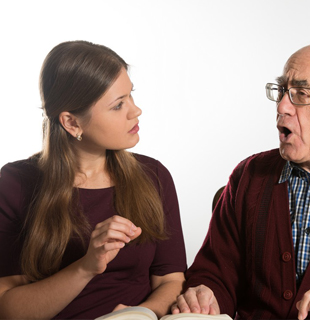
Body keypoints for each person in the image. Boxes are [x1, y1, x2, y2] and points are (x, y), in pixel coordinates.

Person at [171, 43, 310, 320]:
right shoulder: (250, 174)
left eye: (302, 94)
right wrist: (206, 292)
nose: (282, 106)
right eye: (281, 91)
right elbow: (216, 270)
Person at [0, 40, 186, 319]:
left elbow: (171, 281)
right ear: (72, 123)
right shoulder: (15, 184)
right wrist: (87, 266)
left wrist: (141, 313)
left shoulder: (154, 175)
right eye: (118, 105)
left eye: (131, 95)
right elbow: (8, 310)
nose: (135, 111)